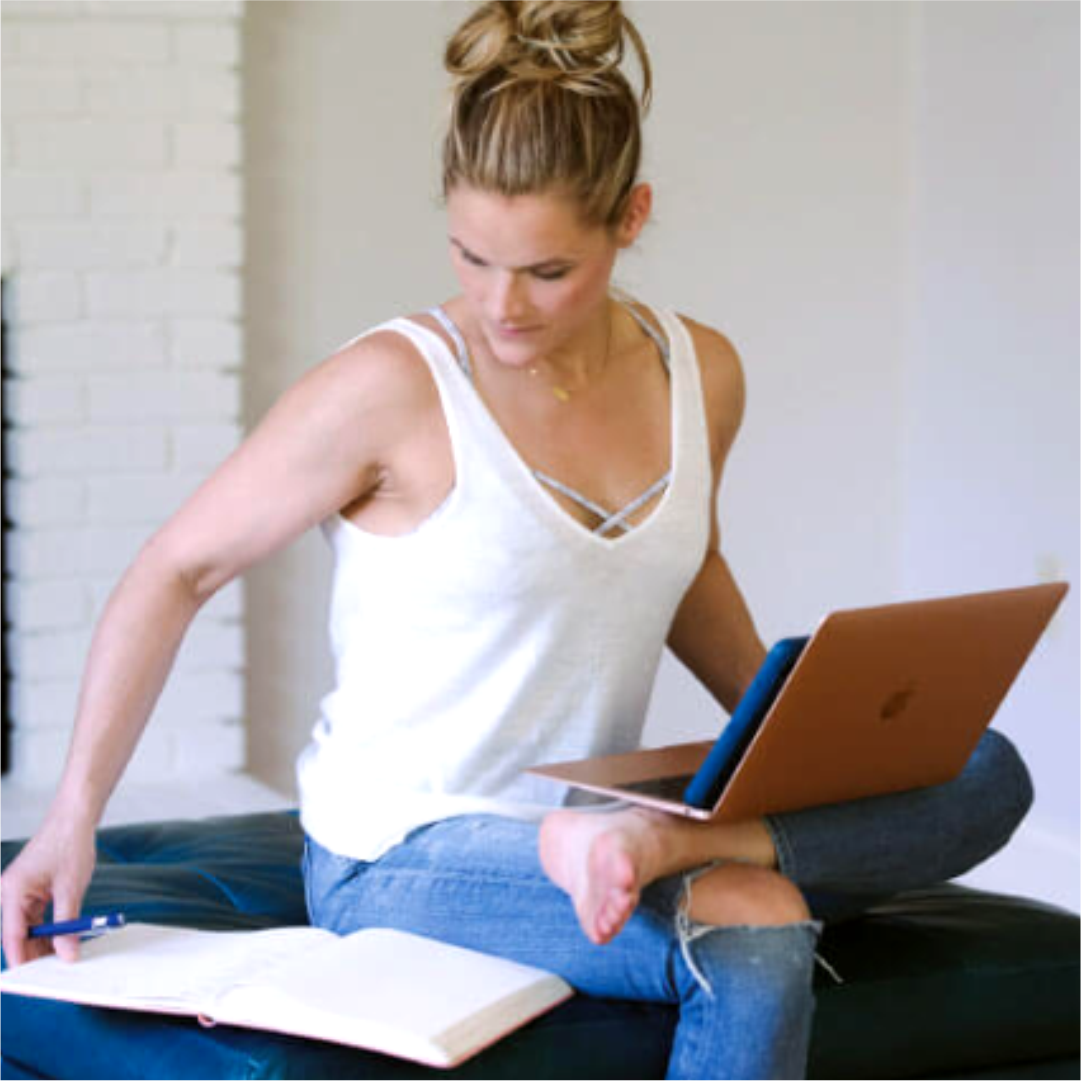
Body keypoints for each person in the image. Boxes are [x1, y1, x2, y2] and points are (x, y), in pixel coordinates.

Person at [0, 2, 1034, 1078]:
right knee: (751, 914)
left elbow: (683, 570)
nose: (502, 305)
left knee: (984, 766)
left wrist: (783, 741)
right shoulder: (391, 387)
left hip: (602, 825)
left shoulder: (700, 372)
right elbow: (176, 568)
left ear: (630, 218)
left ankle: (670, 842)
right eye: (471, 256)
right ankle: (680, 853)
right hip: (405, 849)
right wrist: (72, 816)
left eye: (546, 271)